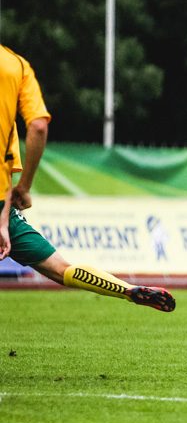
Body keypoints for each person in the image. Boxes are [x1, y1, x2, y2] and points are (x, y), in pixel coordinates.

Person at [0, 44, 175, 312]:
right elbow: (37, 125)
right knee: (61, 268)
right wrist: (21, 191)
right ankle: (127, 290)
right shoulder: (16, 67)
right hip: (2, 205)